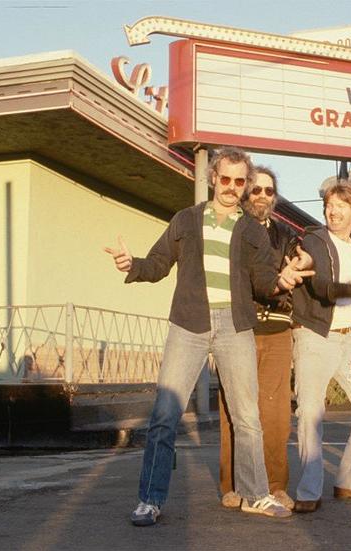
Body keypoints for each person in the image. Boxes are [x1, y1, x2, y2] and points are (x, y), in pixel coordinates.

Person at [104, 147, 312, 525]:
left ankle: (256, 495)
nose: (232, 188)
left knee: (248, 417)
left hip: (235, 325)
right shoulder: (186, 220)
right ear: (213, 178)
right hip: (189, 322)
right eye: (226, 179)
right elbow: (158, 264)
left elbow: (263, 281)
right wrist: (132, 264)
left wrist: (281, 281)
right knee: (165, 415)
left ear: (245, 185)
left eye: (239, 182)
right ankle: (150, 500)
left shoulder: (250, 230)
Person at [290, 180, 351, 513]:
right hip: (314, 335)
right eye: (330, 204)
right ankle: (308, 491)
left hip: (349, 339)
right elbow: (320, 286)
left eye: (341, 205)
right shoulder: (314, 239)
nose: (333, 210)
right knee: (311, 411)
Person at [218, 166, 305, 511]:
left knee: (276, 411)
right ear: (244, 193)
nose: (262, 197)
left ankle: (275, 485)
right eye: (255, 190)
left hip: (278, 329)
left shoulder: (287, 234)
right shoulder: (231, 230)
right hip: (238, 327)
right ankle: (233, 485)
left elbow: (297, 274)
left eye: (269, 191)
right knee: (233, 410)